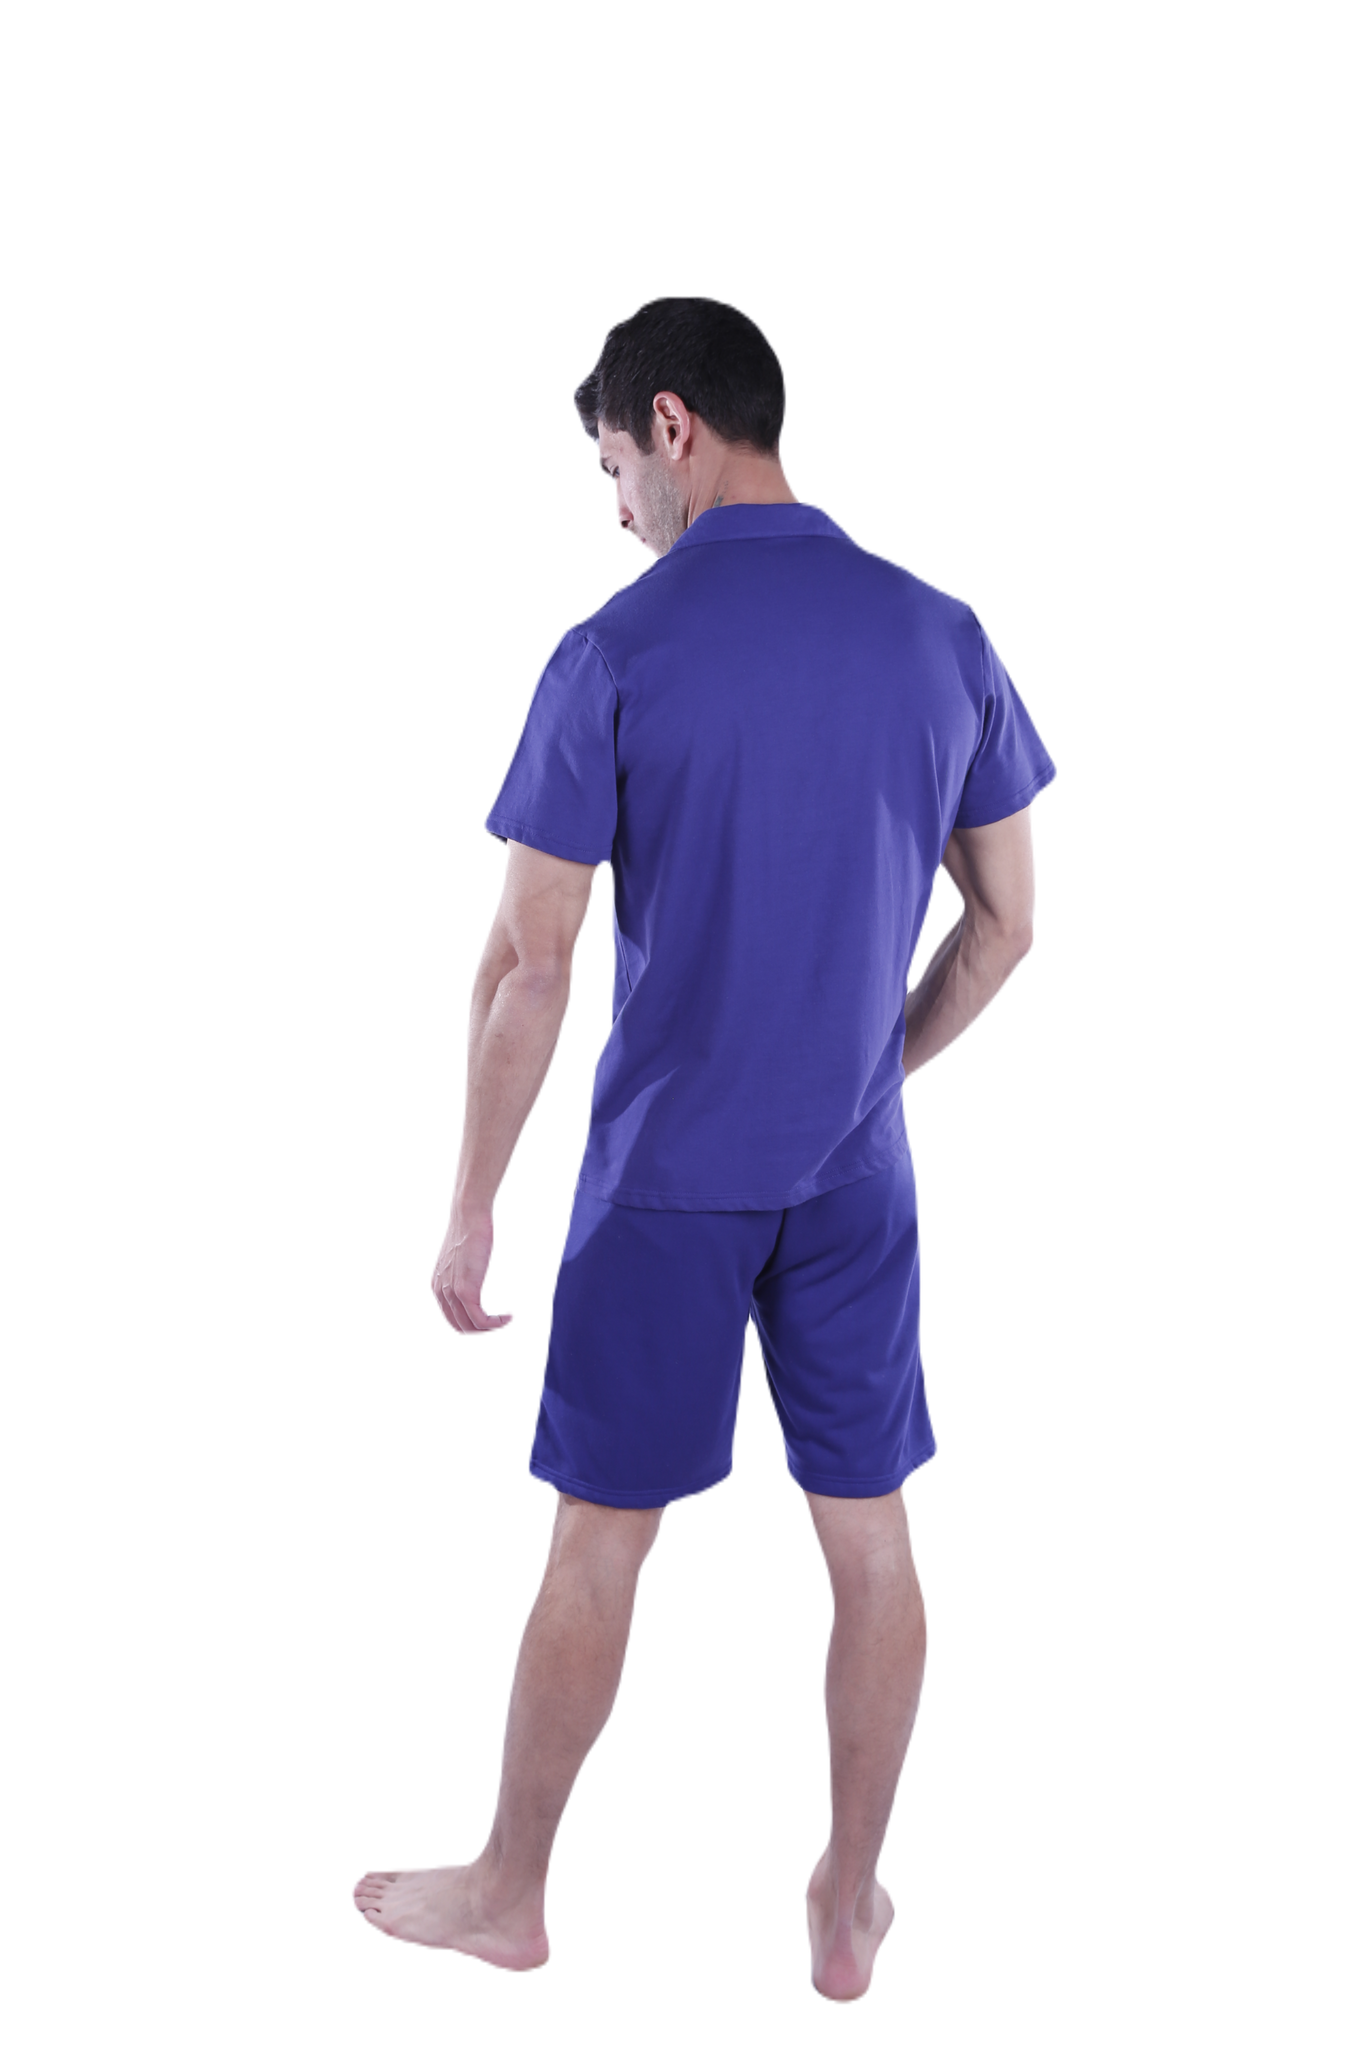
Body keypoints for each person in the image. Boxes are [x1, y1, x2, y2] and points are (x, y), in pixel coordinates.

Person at [350, 293, 1059, 2003]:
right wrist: (868, 1076)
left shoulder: (611, 650)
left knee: (600, 1542)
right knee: (871, 1540)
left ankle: (510, 1894)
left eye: (611, 466)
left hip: (660, 1181)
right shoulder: (941, 629)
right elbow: (1007, 927)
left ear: (671, 423)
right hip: (855, 1177)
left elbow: (527, 966)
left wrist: (466, 1210)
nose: (614, 510)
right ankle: (847, 1899)